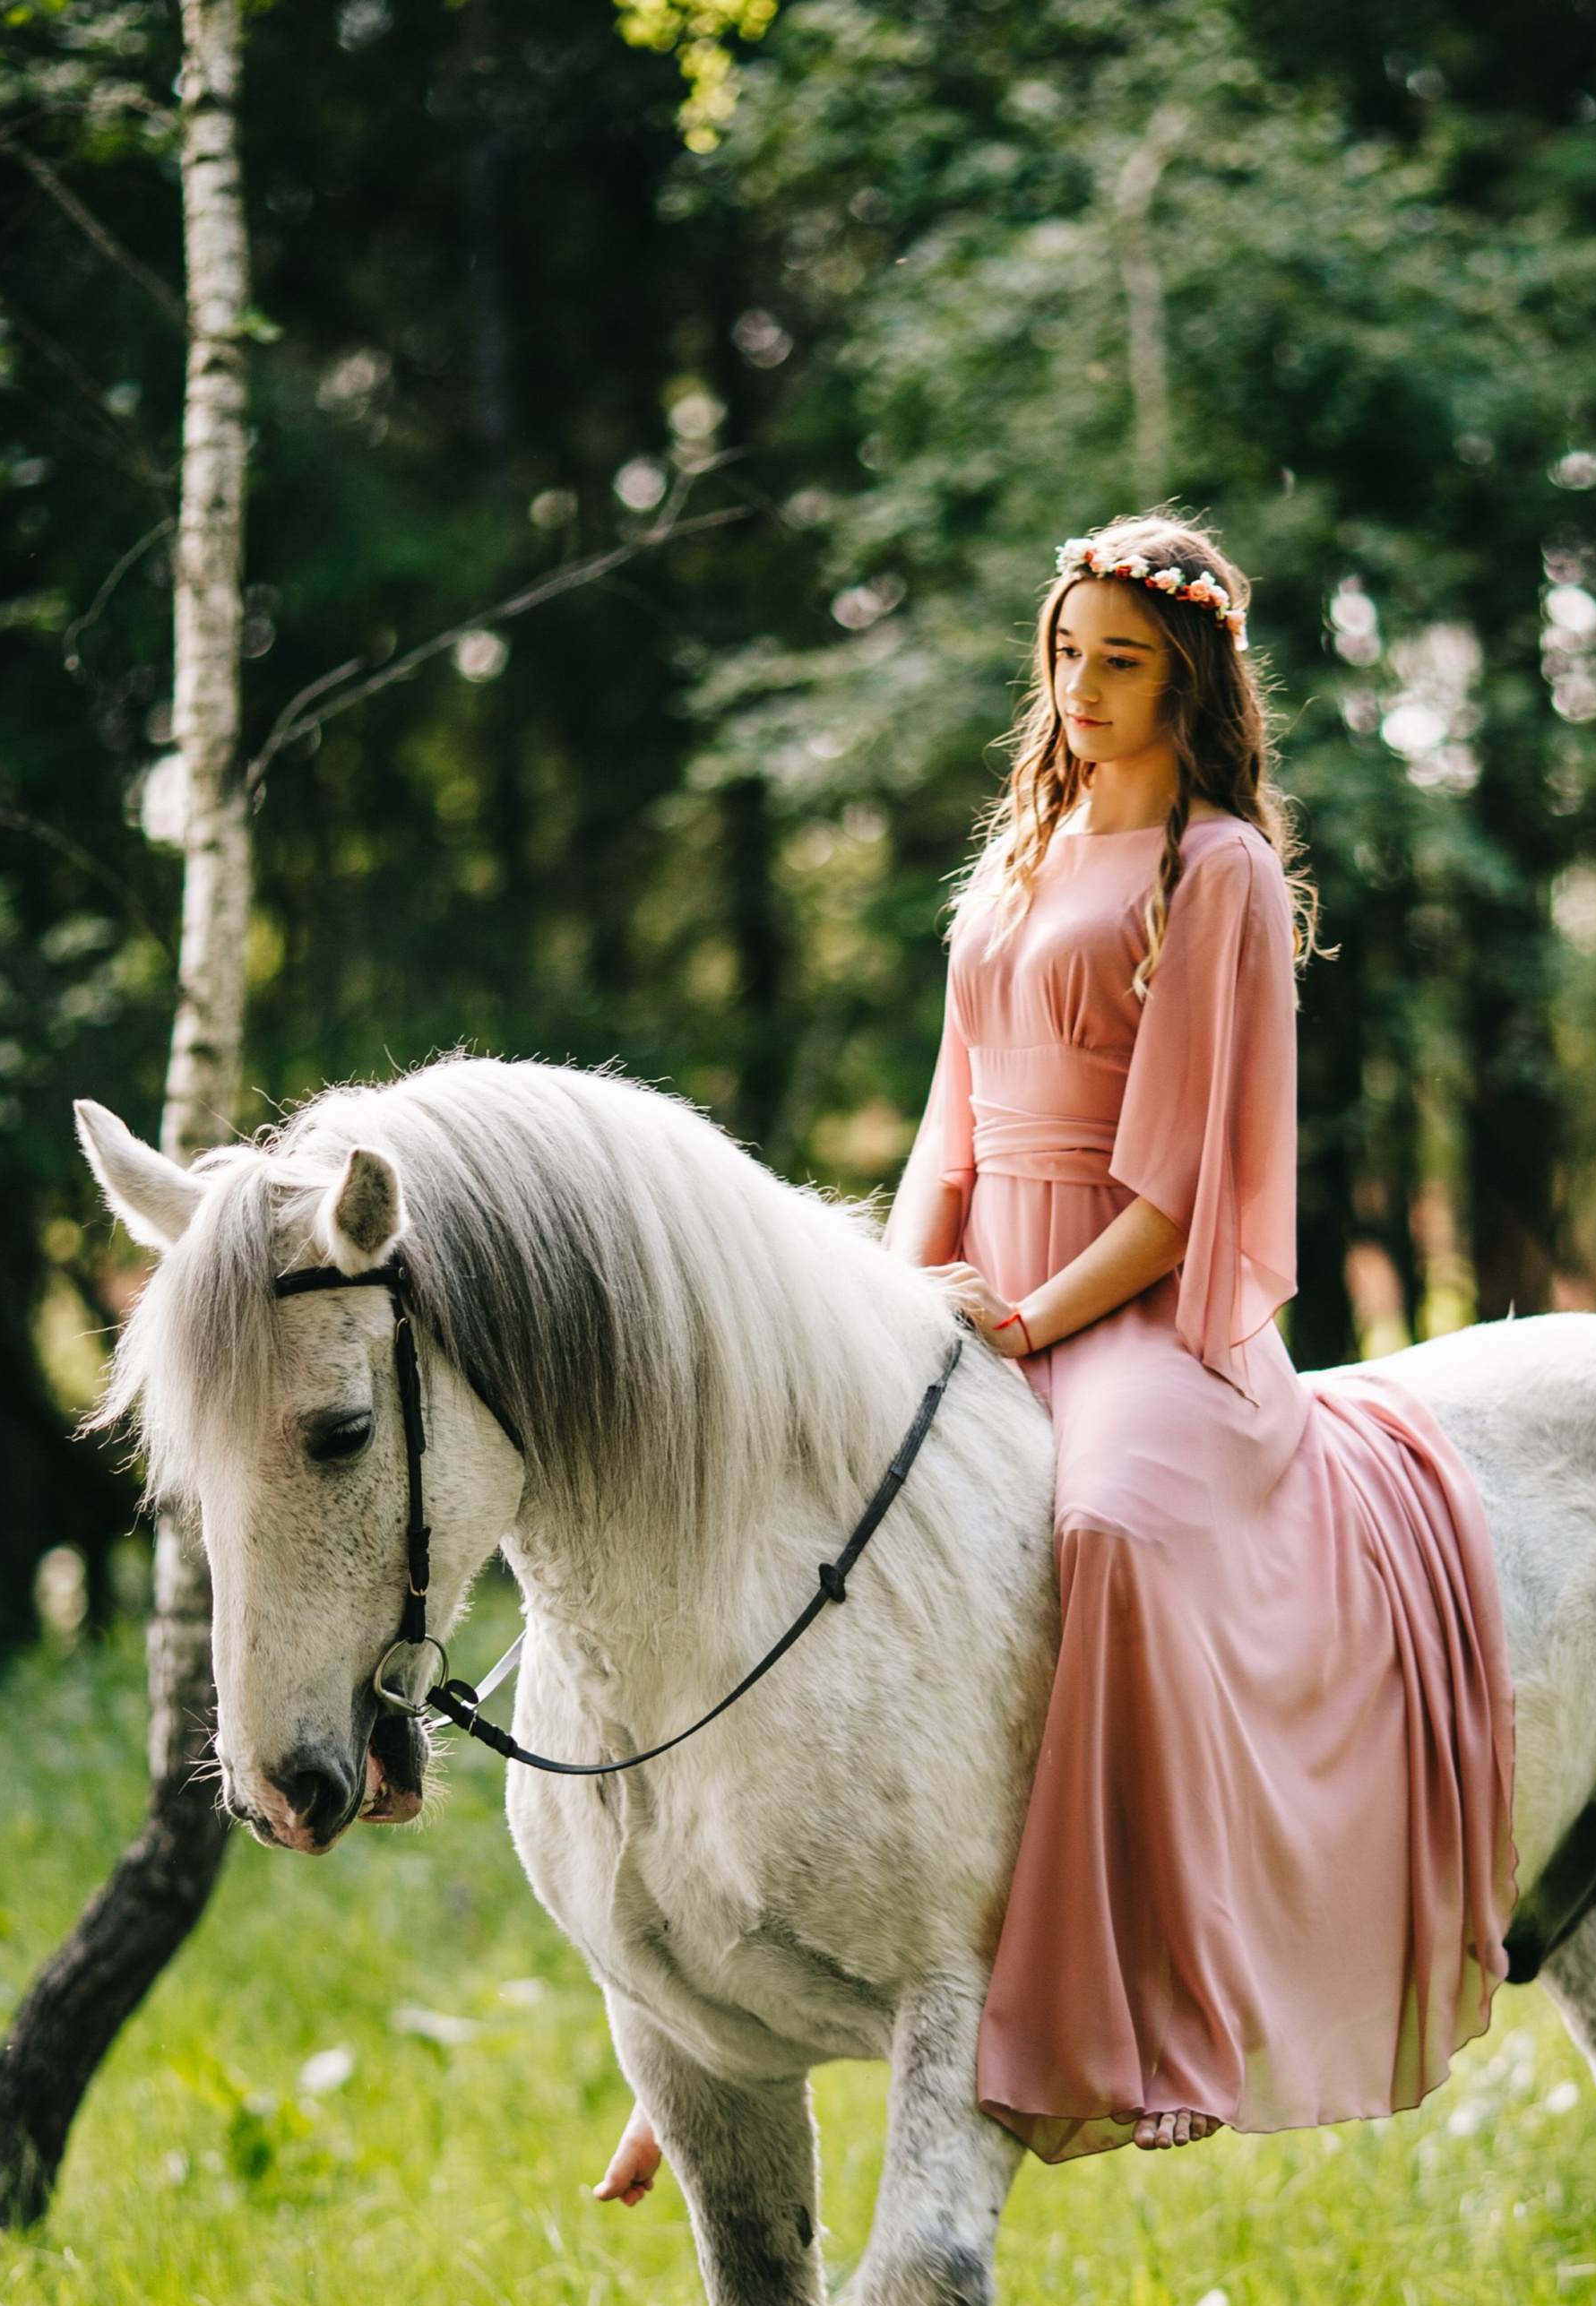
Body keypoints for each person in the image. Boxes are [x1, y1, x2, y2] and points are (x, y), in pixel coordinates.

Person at [597, 513, 1513, 2204]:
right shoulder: (1017, 852)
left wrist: (1028, 1321)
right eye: (1068, 656)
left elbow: (1176, 1195)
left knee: (1106, 1534)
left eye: (1125, 664)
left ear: (1192, 683)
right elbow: (949, 1126)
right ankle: (703, 2010)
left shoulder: (1216, 870)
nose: (1084, 691)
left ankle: (1124, 1971)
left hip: (1134, 1314)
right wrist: (876, 1311)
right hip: (966, 1278)